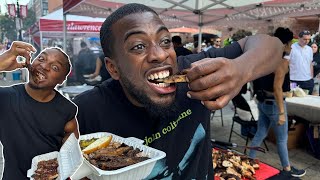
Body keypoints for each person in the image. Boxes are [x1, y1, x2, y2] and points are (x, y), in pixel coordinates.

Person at [74, 3, 283, 179]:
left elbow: (272, 45)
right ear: (113, 68)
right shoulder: (86, 110)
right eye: (138, 46)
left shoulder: (195, 72)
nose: (159, 54)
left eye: (165, 41)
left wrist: (241, 69)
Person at [0, 41, 79, 179]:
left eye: (55, 67)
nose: (44, 66)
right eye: (41, 59)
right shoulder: (6, 98)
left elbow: (71, 159)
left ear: (61, 80)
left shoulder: (67, 111)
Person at [250, 27, 306, 178]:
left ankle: (249, 158)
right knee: (282, 139)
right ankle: (287, 169)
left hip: (262, 101)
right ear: (286, 44)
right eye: (290, 44)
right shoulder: (281, 61)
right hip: (274, 104)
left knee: (261, 132)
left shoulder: (265, 56)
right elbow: (277, 87)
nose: (290, 47)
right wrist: (282, 112)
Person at [289, 30, 314, 94]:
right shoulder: (291, 48)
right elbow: (285, 64)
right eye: (304, 39)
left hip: (308, 81)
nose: (307, 41)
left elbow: (310, 64)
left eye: (308, 39)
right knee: (293, 100)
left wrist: (311, 78)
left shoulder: (310, 49)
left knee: (307, 101)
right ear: (299, 38)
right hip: (293, 81)